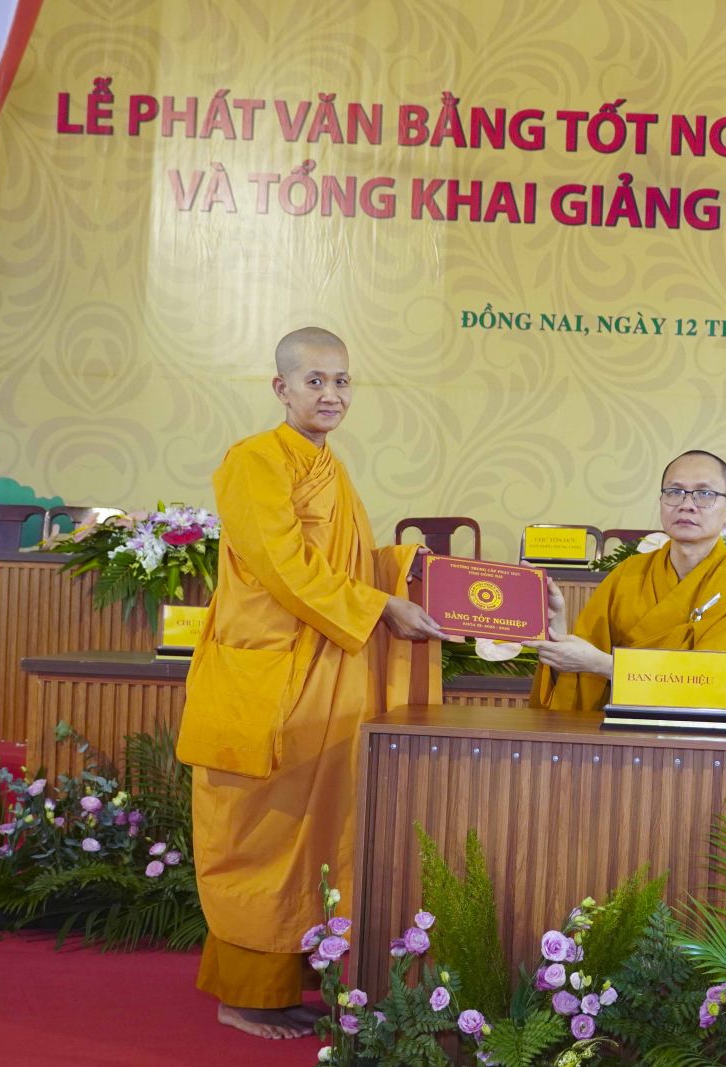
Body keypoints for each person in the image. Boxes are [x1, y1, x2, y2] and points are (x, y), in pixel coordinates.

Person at [176, 327, 454, 1039]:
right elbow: (282, 564)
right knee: (259, 835)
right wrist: (381, 605)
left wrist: (409, 571)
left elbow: (348, 564)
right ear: (282, 388)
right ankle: (242, 996)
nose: (331, 394)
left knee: (316, 837)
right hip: (269, 678)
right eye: (315, 381)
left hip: (326, 675)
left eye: (342, 381)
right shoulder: (255, 460)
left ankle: (283, 985)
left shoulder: (330, 466)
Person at [526, 449, 726, 716]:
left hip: (700, 738)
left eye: (704, 494)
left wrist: (605, 666)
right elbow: (579, 679)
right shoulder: (628, 575)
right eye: (675, 492)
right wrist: (556, 625)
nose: (687, 504)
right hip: (618, 732)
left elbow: (721, 687)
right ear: (661, 501)